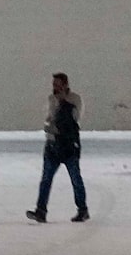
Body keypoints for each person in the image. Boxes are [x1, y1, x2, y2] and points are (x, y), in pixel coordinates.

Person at [29, 71, 88, 222]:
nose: (54, 87)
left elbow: (76, 118)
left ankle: (82, 209)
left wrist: (63, 103)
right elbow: (49, 118)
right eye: (53, 84)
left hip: (69, 145)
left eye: (57, 84)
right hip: (53, 145)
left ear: (65, 85)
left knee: (75, 178)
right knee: (46, 179)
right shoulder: (51, 99)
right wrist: (49, 128)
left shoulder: (75, 99)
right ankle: (41, 210)